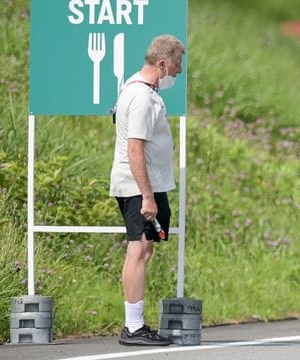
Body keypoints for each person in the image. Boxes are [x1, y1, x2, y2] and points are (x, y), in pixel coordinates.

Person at [109, 34, 184, 346]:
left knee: (149, 247)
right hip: (140, 187)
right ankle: (134, 327)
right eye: (178, 63)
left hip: (151, 185)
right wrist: (148, 197)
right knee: (138, 249)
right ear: (163, 63)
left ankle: (136, 323)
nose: (180, 71)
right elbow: (134, 149)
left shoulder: (141, 89)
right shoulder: (140, 96)